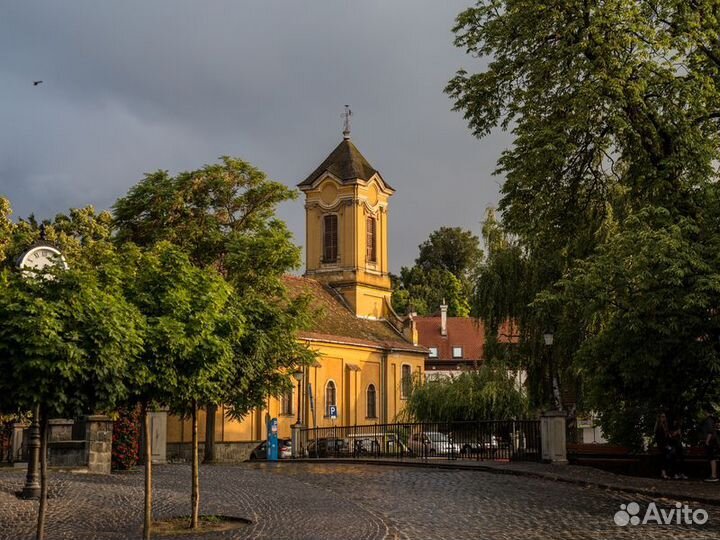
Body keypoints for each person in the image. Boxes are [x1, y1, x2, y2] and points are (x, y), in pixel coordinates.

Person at [654, 412, 676, 480]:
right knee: (664, 457)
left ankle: (666, 472)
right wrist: (664, 445)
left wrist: (670, 435)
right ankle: (664, 473)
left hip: (666, 445)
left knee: (670, 455)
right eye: (662, 417)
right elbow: (659, 438)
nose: (664, 418)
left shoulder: (665, 426)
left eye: (664, 417)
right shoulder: (658, 427)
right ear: (659, 418)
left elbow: (668, 437)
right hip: (662, 445)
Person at [701, 405, 719, 482]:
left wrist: (707, 441)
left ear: (706, 411)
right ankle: (713, 475)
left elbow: (710, 431)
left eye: (704, 411)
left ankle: (713, 475)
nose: (703, 412)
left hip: (711, 441)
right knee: (712, 458)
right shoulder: (713, 419)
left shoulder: (709, 420)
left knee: (712, 458)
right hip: (713, 441)